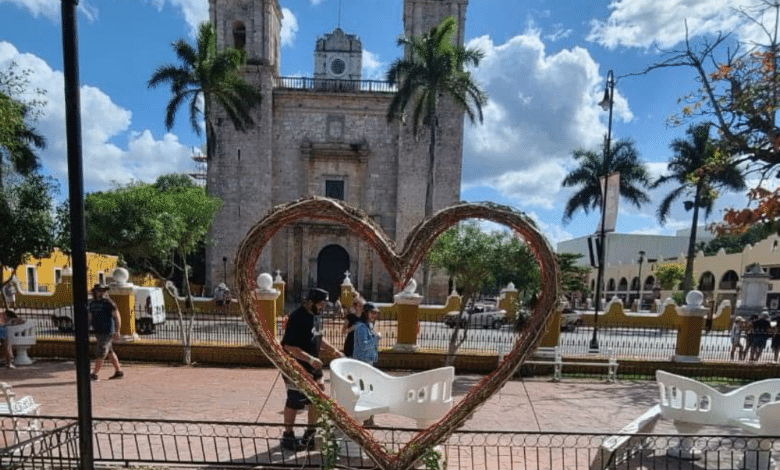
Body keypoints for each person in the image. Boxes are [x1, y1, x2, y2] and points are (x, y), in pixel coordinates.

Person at [279, 288, 344, 451]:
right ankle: (288, 435)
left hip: (314, 367)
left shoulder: (316, 316)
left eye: (324, 304)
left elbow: (319, 337)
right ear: (310, 302)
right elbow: (288, 346)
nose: (323, 307)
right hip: (295, 365)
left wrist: (333, 350)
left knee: (318, 398)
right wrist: (309, 358)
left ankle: (310, 433)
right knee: (295, 401)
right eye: (321, 304)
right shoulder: (296, 317)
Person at [88, 284, 124, 381]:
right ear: (95, 291)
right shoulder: (92, 304)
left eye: (103, 290)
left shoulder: (108, 303)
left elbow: (117, 317)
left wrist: (117, 331)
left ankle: (94, 374)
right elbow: (90, 317)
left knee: (101, 352)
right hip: (98, 331)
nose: (101, 292)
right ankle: (119, 372)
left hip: (107, 331)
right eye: (99, 290)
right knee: (110, 352)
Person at [341, 293, 365, 358]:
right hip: (350, 344)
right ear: (355, 306)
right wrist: (351, 328)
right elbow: (343, 331)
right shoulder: (349, 317)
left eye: (362, 305)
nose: (361, 307)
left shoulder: (365, 318)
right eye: (359, 305)